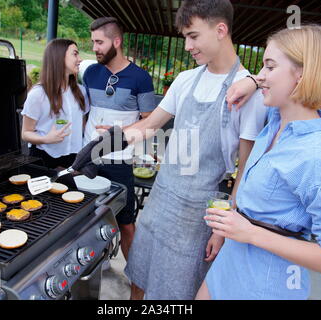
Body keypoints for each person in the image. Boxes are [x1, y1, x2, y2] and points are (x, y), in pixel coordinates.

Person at [72, 0, 267, 299]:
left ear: (220, 30)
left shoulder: (246, 92)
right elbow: (147, 127)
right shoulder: (186, 80)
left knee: (176, 291)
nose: (187, 45)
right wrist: (102, 146)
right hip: (162, 196)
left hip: (198, 213)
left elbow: (246, 167)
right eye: (185, 37)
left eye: (193, 35)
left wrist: (223, 227)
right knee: (139, 273)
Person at [198, 24, 321, 300]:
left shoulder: (319, 155)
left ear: (301, 73)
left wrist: (250, 234)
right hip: (227, 272)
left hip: (265, 289)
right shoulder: (275, 123)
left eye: (269, 67)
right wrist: (252, 82)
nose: (261, 75)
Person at [82, 17, 157, 261]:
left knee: (126, 222)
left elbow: (151, 123)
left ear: (117, 41)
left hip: (120, 161)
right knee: (87, 219)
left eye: (100, 42)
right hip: (89, 157)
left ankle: (134, 277)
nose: (95, 48)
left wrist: (121, 132)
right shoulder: (91, 73)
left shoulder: (140, 78)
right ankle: (92, 266)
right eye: (93, 42)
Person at [21, 39, 89, 170]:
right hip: (43, 158)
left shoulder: (81, 91)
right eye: (75, 54)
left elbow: (83, 125)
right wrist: (47, 138)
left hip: (74, 158)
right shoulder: (38, 94)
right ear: (59, 57)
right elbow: (25, 133)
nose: (80, 59)